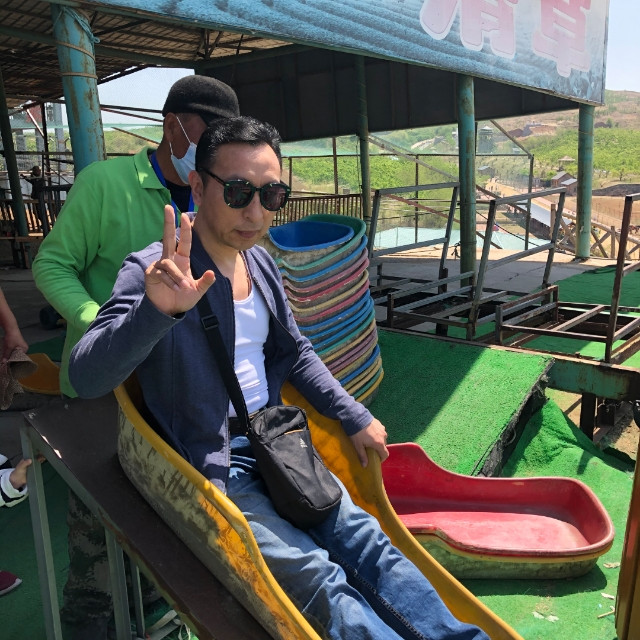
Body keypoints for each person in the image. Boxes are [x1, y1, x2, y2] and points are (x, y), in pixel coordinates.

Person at [69, 116, 489, 640]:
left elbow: (295, 351)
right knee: (315, 576)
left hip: (276, 439)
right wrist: (155, 312)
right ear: (197, 186)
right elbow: (86, 377)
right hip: (213, 459)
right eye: (238, 192)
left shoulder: (261, 264)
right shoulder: (156, 270)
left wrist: (352, 414)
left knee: (369, 543)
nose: (255, 212)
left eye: (271, 195)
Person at [32, 74, 240, 639]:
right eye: (207, 132)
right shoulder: (104, 185)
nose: (216, 145)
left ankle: (154, 616)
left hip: (181, 393)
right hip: (107, 387)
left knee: (166, 542)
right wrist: (100, 322)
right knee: (98, 546)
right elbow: (52, 264)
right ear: (173, 126)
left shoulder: (217, 192)